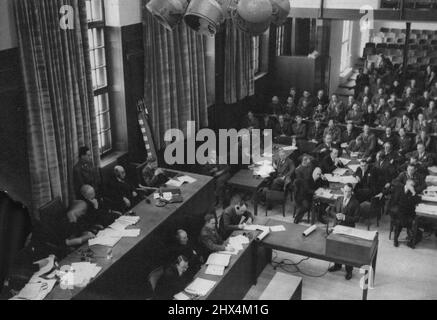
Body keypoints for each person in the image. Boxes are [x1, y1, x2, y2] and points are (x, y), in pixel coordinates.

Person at [328, 184, 360, 280]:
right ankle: (337, 265)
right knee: (336, 247)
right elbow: (332, 211)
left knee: (347, 250)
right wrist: (336, 215)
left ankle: (349, 270)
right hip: (337, 227)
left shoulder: (355, 203)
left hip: (348, 229)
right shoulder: (339, 199)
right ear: (343, 190)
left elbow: (357, 218)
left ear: (352, 192)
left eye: (349, 191)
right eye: (345, 191)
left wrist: (345, 217)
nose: (346, 193)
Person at [391, 180, 421, 248]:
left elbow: (418, 200)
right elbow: (395, 201)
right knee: (403, 221)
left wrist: (413, 192)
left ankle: (411, 239)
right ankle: (398, 239)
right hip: (398, 211)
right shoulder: (399, 189)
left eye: (413, 185)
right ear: (406, 184)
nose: (412, 187)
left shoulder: (412, 191)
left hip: (408, 213)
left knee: (410, 220)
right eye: (411, 185)